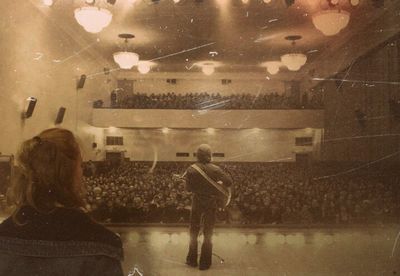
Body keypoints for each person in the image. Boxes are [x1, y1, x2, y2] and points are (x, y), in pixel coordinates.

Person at [0, 128, 124, 276]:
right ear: (70, 174)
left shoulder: (4, 236)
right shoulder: (103, 243)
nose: (82, 172)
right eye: (80, 166)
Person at [185, 144, 232, 270]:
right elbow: (229, 182)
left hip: (197, 202)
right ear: (209, 155)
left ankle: (191, 260)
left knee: (193, 232)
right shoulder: (215, 169)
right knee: (208, 233)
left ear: (197, 155)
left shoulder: (191, 169)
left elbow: (188, 189)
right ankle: (205, 263)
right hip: (211, 202)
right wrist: (219, 183)